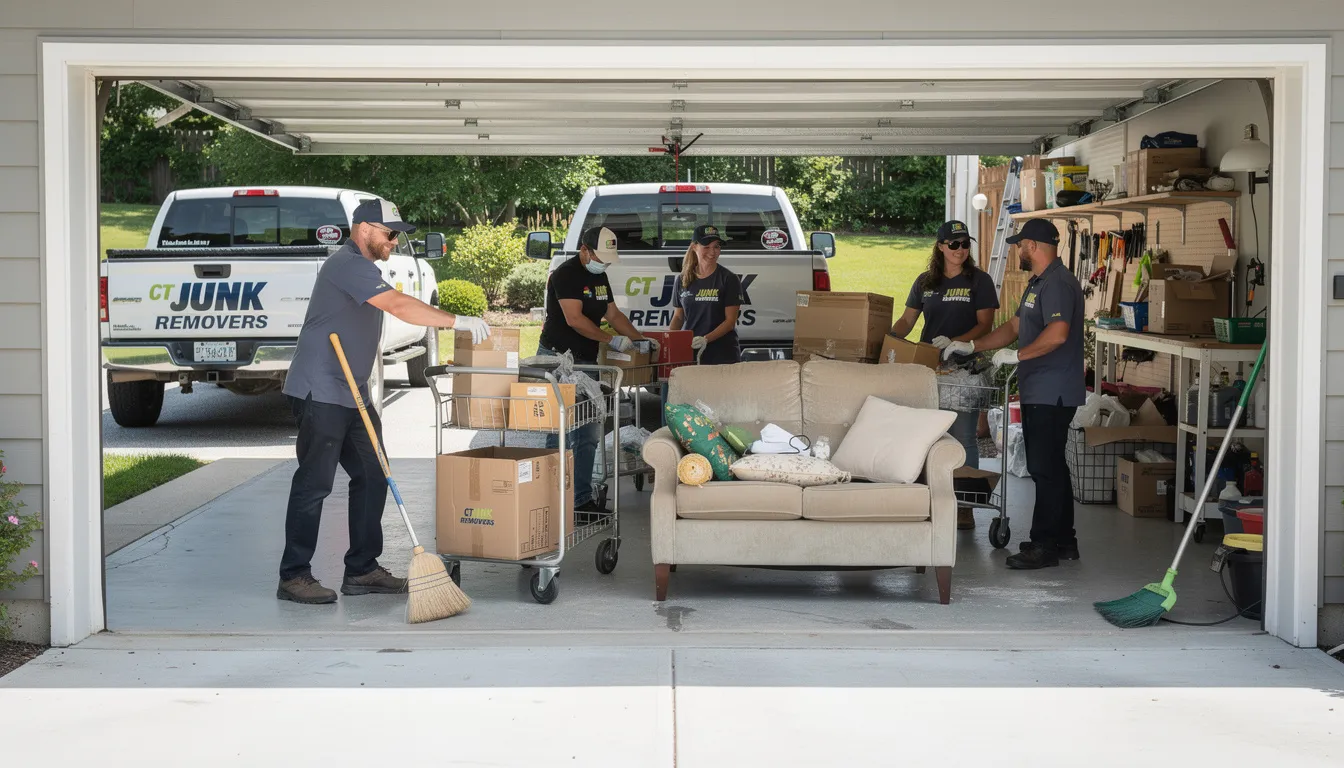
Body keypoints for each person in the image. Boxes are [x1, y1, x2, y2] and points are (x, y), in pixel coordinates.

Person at [277, 198, 491, 605]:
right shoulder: (346, 265)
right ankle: (294, 575)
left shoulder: (364, 268)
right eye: (390, 232)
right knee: (315, 484)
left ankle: (362, 569)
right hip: (321, 390)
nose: (395, 240)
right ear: (364, 229)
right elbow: (397, 305)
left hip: (352, 393)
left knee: (374, 475)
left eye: (398, 234)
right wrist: (456, 321)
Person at [941, 218, 1086, 570]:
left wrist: (1018, 355)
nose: (1018, 250)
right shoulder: (1038, 283)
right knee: (1052, 466)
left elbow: (1058, 334)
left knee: (1043, 468)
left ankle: (1044, 545)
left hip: (1053, 391)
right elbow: (1013, 327)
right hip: (1040, 387)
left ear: (1033, 246)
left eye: (1021, 245)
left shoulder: (1059, 284)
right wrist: (970, 345)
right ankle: (1064, 540)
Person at [889, 220, 999, 530]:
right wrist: (886, 340)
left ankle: (966, 504)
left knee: (964, 437)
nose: (961, 250)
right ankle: (928, 499)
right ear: (940, 247)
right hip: (928, 369)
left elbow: (985, 325)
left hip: (965, 369)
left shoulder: (979, 281)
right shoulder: (926, 282)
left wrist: (957, 343)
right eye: (954, 245)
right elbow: (907, 321)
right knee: (927, 436)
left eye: (965, 244)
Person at [538, 225, 653, 515]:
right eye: (599, 257)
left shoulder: (599, 276)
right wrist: (610, 339)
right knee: (560, 433)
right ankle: (551, 503)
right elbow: (574, 319)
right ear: (584, 250)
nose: (604, 263)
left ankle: (580, 501)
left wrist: (638, 340)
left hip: (587, 363)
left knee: (589, 432)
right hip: (558, 360)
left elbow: (612, 314)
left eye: (607, 259)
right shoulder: (565, 275)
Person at [670, 224, 744, 366]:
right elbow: (678, 317)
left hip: (722, 355)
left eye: (716, 246)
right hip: (690, 352)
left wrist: (705, 339)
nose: (712, 252)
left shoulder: (729, 279)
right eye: (706, 247)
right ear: (694, 247)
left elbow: (730, 322)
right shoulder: (682, 279)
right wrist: (670, 342)